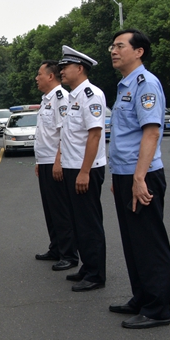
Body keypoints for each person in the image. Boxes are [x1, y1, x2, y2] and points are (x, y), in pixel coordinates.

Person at [107, 29, 170, 329]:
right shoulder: (124, 86)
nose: (113, 50)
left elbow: (152, 132)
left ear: (139, 52)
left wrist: (138, 177)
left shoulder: (146, 84)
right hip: (126, 174)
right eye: (113, 46)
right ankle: (142, 297)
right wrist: (119, 176)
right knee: (133, 242)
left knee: (148, 242)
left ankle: (157, 309)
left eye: (120, 46)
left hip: (142, 175)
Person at [56, 46, 107, 292]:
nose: (61, 71)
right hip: (71, 167)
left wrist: (85, 172)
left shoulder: (91, 95)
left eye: (65, 67)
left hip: (85, 169)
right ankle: (87, 267)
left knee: (89, 222)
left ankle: (96, 274)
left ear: (79, 68)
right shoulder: (72, 96)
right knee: (78, 222)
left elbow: (95, 135)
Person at [33, 61, 77, 271]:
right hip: (45, 161)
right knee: (50, 209)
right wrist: (39, 161)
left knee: (60, 209)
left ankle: (69, 254)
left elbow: (64, 132)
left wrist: (58, 161)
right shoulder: (46, 99)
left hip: (55, 162)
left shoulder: (61, 98)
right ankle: (56, 248)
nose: (36, 78)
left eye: (39, 74)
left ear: (50, 76)